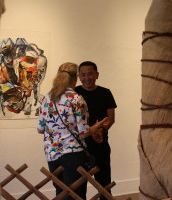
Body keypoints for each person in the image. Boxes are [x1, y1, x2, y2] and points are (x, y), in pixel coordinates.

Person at [37, 62, 108, 200]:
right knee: (75, 194)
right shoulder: (77, 99)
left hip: (52, 154)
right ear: (75, 78)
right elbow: (83, 133)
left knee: (61, 193)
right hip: (73, 154)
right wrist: (94, 127)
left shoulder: (46, 98)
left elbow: (40, 129)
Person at [75, 61, 117, 200]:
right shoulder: (75, 94)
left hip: (101, 143)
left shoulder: (105, 93)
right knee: (79, 185)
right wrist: (91, 132)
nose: (87, 78)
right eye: (83, 74)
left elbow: (111, 118)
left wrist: (100, 130)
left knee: (104, 183)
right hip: (80, 146)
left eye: (90, 74)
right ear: (79, 76)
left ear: (97, 75)